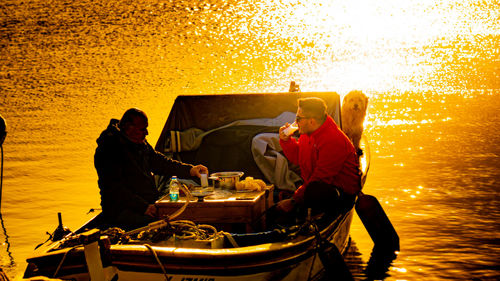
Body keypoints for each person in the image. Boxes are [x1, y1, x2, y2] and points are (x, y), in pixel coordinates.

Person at [94, 108, 208, 230]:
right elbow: (115, 189)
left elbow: (160, 163)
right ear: (129, 128)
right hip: (121, 211)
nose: (147, 133)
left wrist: (190, 170)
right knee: (171, 224)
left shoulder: (138, 141)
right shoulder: (108, 149)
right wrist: (144, 207)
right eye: (143, 129)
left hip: (147, 203)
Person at [277, 97, 361, 218]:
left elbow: (321, 178)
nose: (295, 122)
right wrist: (286, 141)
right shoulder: (308, 133)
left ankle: (317, 218)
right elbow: (298, 158)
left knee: (314, 189)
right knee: (310, 190)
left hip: (340, 194)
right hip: (316, 186)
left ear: (311, 121)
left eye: (298, 119)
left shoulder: (333, 140)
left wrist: (293, 201)